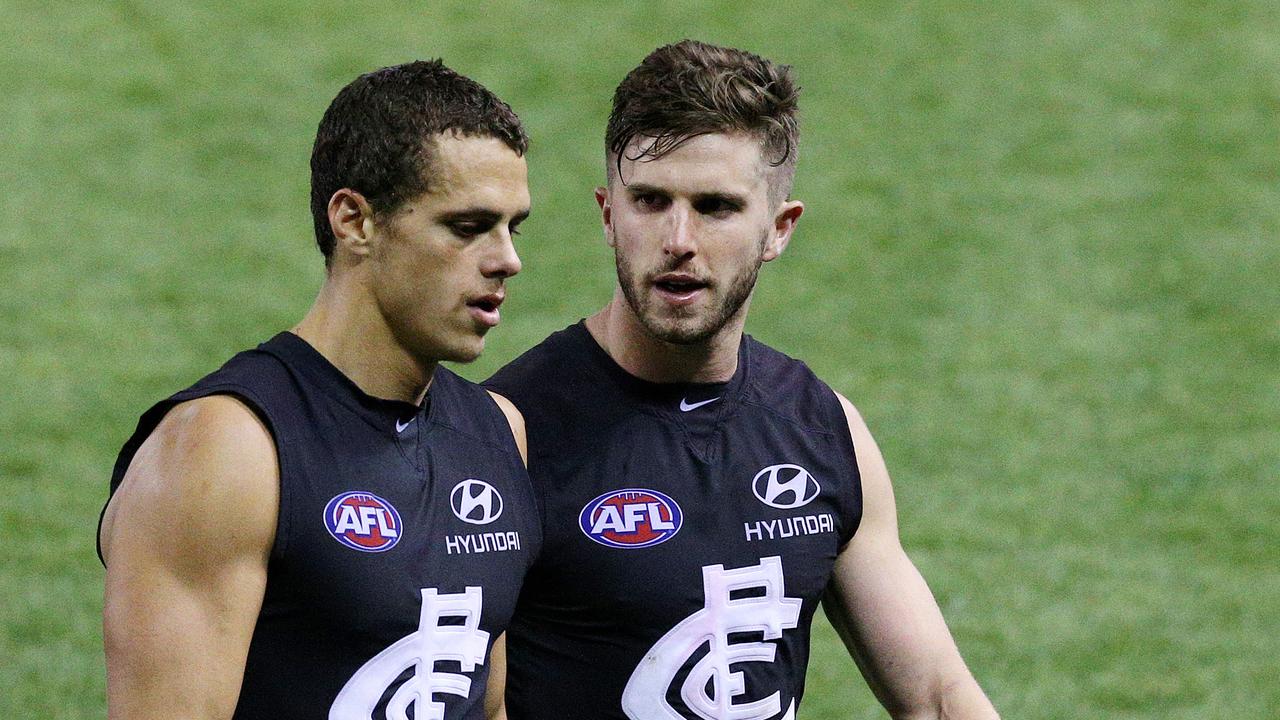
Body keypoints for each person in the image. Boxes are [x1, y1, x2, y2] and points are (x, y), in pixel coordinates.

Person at [485, 40, 999, 720]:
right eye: (649, 201)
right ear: (609, 214)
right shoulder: (506, 433)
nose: (677, 239)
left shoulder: (822, 431)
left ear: (778, 229)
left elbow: (936, 696)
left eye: (716, 207)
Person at [98, 60, 540, 720]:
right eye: (467, 226)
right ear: (355, 221)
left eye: (513, 226)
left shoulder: (497, 432)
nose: (507, 258)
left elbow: (486, 705)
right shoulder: (227, 448)